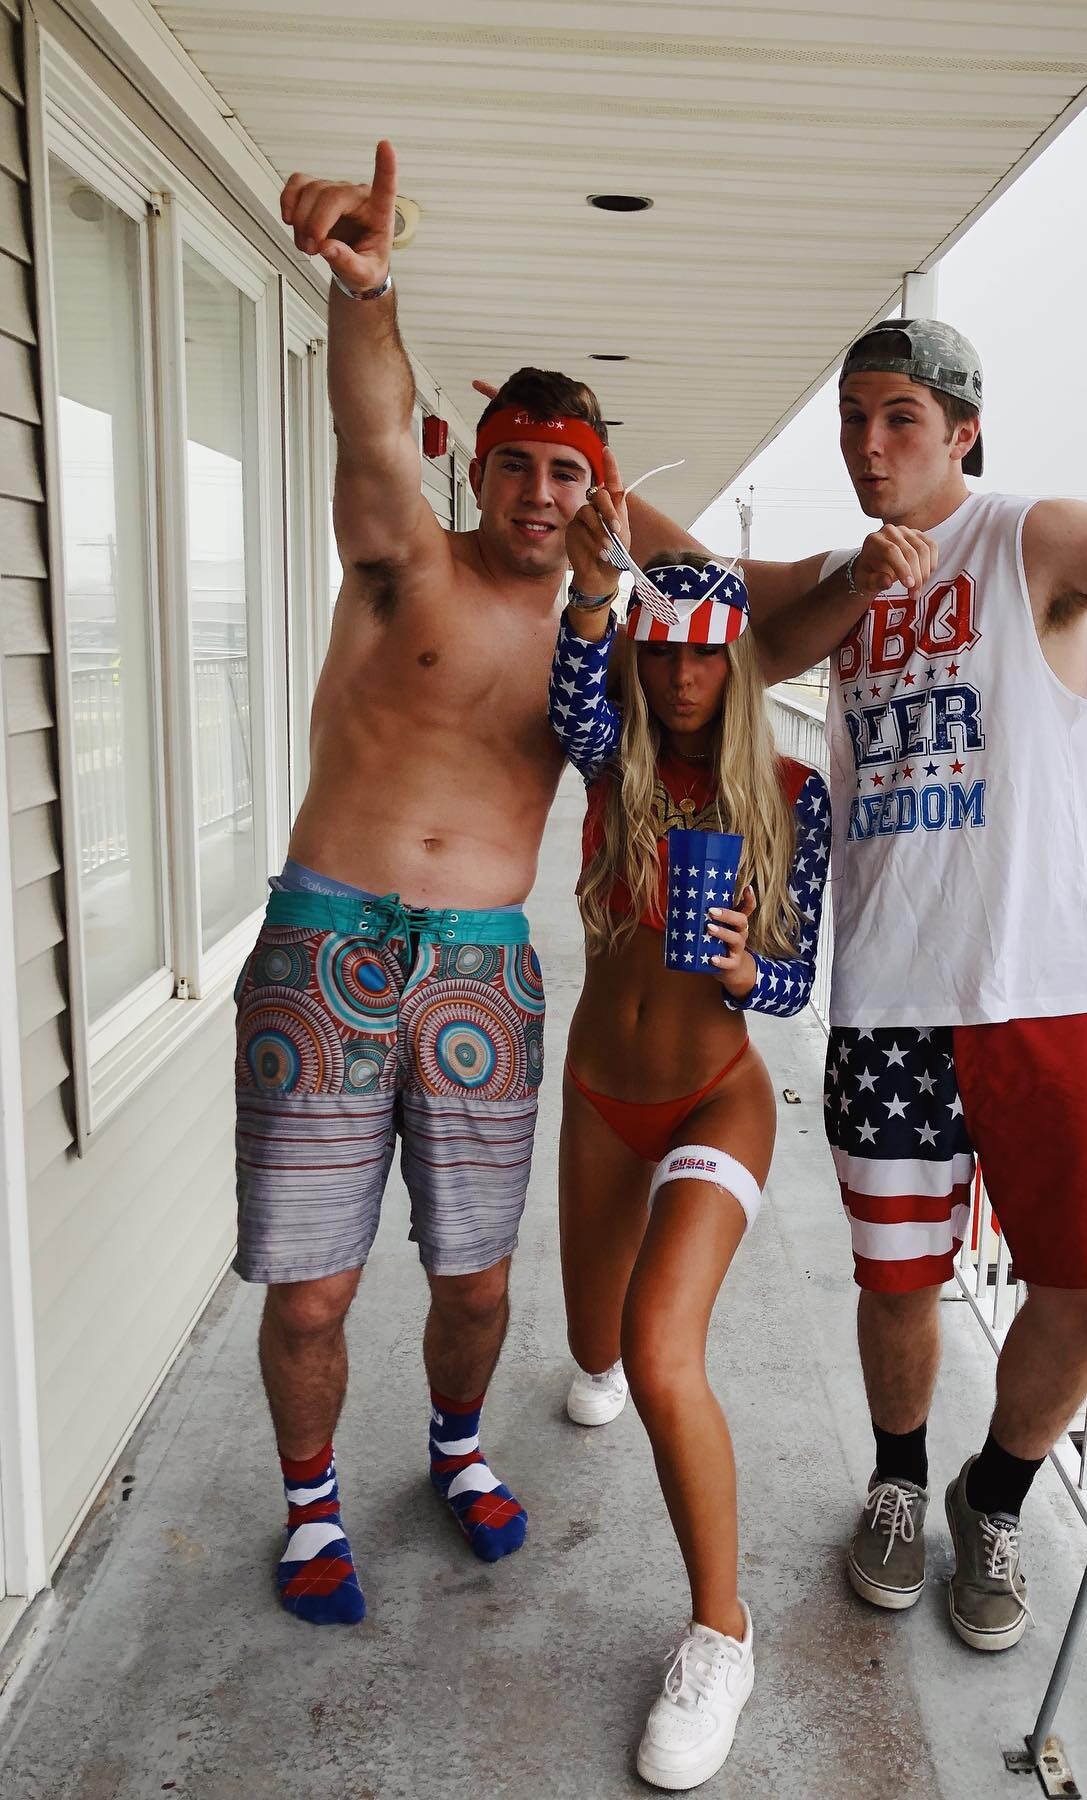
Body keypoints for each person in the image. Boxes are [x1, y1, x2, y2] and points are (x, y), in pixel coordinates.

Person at [634, 318, 1087, 1651]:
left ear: (963, 432)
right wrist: (598, 482)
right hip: (887, 998)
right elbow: (711, 580)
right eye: (853, 419)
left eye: (901, 419)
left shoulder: (1031, 540)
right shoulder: (841, 578)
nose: (869, 445)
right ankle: (897, 1481)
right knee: (898, 1280)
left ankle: (993, 1498)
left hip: (1041, 990)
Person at [235, 140, 620, 1624]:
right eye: (515, 461)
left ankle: (457, 1452)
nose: (536, 489)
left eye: (566, 470)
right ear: (480, 465)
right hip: (326, 947)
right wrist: (369, 291)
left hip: (481, 967)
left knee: (476, 1277)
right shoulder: (406, 559)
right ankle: (311, 1509)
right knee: (314, 1286)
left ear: (595, 492)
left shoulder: (597, 636)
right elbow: (371, 428)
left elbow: (751, 629)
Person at [547, 473, 830, 1789]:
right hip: (600, 1095)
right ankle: (596, 1355)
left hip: (718, 1095)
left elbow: (798, 979)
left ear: (738, 661)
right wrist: (594, 590)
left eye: (703, 657)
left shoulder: (790, 790)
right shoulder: (614, 757)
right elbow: (572, 700)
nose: (678, 680)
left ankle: (723, 1633)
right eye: (658, 656)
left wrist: (745, 972)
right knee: (595, 1354)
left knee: (665, 1358)